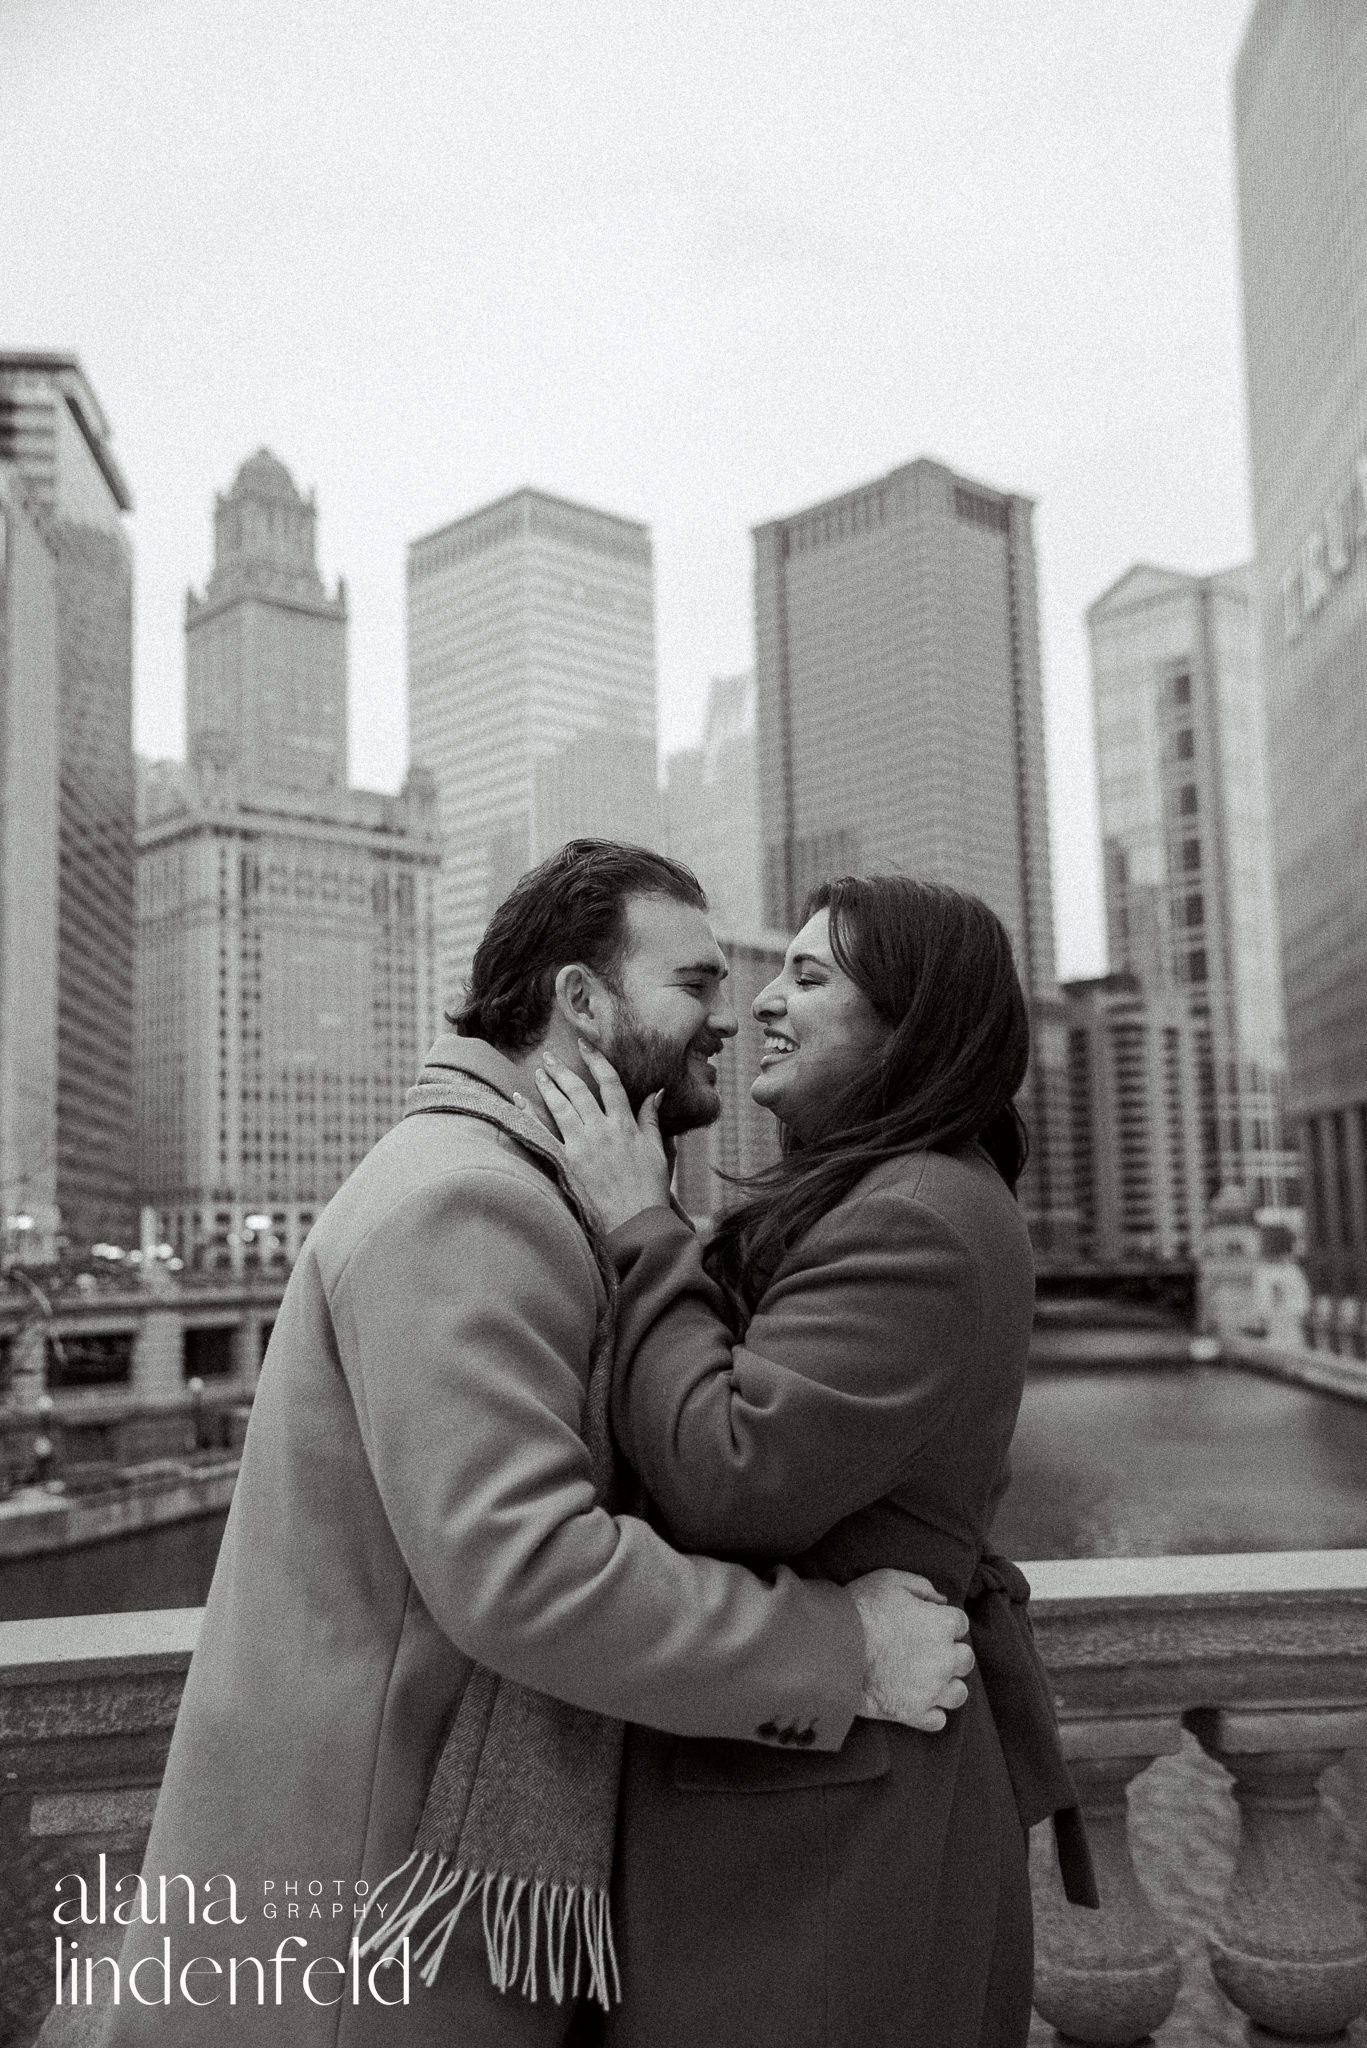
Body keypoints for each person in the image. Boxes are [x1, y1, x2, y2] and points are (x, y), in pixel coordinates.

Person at [93, 844, 973, 2048]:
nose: (728, 1017)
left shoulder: (506, 1179)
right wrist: (841, 1650)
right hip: (365, 1919)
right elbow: (525, 1570)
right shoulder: (471, 1202)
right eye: (694, 984)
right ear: (578, 1000)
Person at [533, 873, 1098, 2048]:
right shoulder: (880, 1194)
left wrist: (643, 1226)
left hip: (837, 1831)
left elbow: (729, 1470)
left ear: (912, 1021)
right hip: (804, 1785)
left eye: (808, 975)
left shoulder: (918, 1214)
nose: (759, 1006)